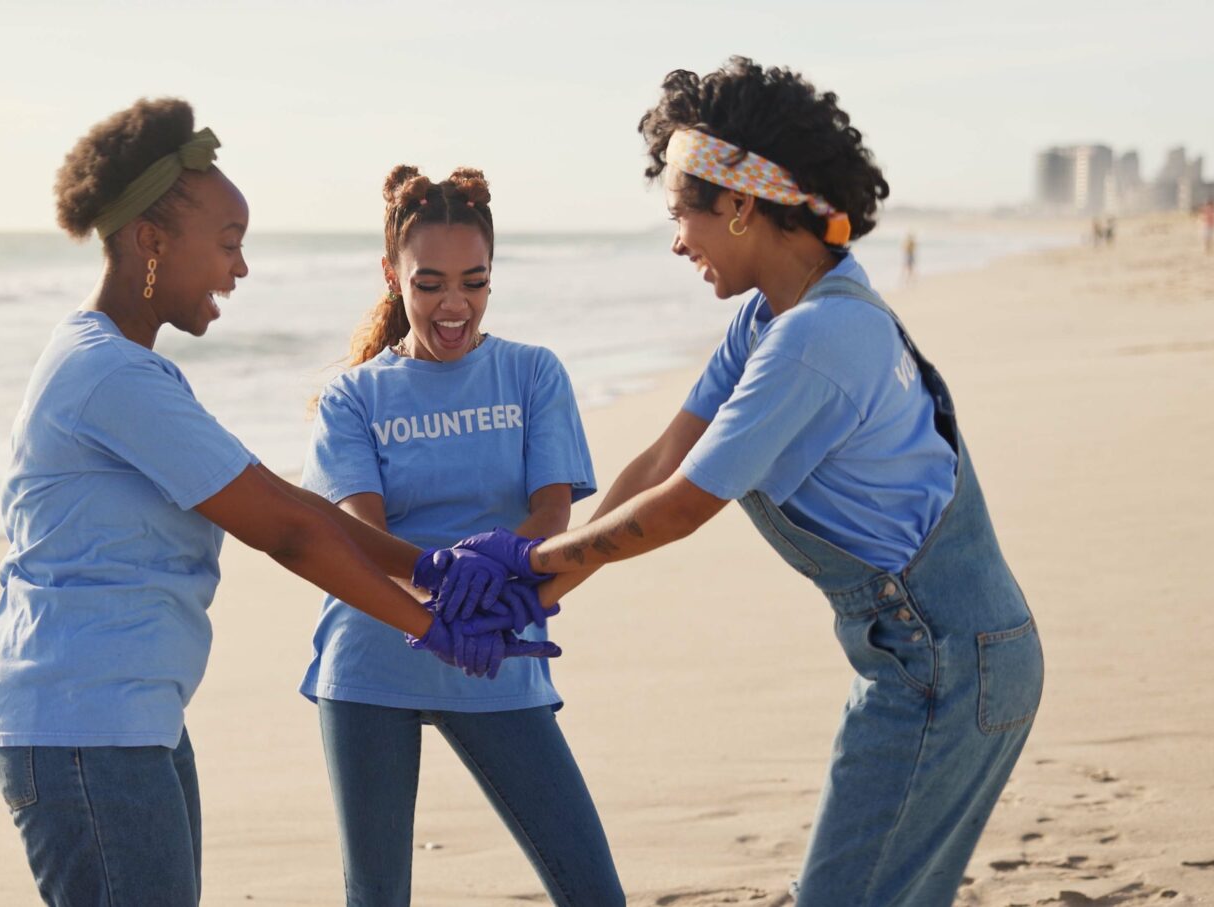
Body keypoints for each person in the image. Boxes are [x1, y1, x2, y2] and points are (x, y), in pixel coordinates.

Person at [435, 59, 1044, 906]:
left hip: (943, 664)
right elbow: (660, 463)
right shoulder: (779, 313)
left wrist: (518, 573)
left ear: (740, 206)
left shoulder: (813, 340)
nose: (677, 240)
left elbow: (681, 509)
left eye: (682, 214)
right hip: (949, 655)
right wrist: (532, 588)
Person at [0, 98, 554, 907]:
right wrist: (436, 623)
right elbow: (283, 531)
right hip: (83, 724)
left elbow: (295, 510)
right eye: (229, 244)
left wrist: (437, 568)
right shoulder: (111, 376)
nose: (239, 269)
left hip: (126, 716)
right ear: (151, 241)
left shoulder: (123, 367)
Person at [299, 166, 624, 906]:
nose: (454, 304)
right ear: (391, 275)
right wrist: (442, 578)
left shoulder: (532, 373)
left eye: (474, 282)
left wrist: (483, 586)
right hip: (373, 655)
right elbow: (358, 536)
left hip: (495, 649)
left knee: (595, 893)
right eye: (430, 283)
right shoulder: (354, 395)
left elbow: (550, 517)